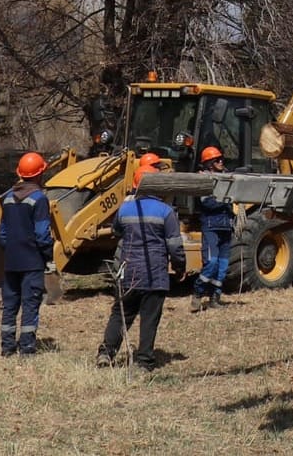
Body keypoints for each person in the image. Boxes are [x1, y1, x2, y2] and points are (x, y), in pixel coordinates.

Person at [97, 159, 184, 370]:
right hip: (155, 274)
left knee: (120, 314)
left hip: (129, 272)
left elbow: (117, 231)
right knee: (149, 317)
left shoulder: (125, 209)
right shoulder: (166, 212)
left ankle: (105, 354)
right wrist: (181, 266)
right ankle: (143, 361)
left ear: (136, 185)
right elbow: (174, 246)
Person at [0, 151, 54, 357]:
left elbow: (2, 234)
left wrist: (11, 250)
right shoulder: (39, 199)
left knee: (10, 305)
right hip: (32, 263)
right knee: (30, 304)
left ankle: (7, 347)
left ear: (20, 174)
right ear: (39, 174)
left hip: (11, 262)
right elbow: (42, 234)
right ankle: (27, 348)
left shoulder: (8, 199)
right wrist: (48, 255)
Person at [190, 146, 235, 311]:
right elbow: (207, 202)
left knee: (222, 266)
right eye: (217, 159)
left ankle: (215, 297)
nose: (221, 161)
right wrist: (226, 200)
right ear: (209, 163)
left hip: (225, 227)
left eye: (222, 158)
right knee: (211, 262)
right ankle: (197, 294)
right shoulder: (205, 180)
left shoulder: (229, 178)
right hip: (211, 226)